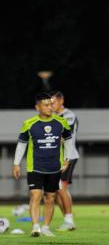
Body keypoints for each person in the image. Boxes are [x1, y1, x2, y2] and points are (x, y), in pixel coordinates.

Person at [12, 93, 73, 237]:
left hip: (54, 167)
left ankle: (46, 227)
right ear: (37, 107)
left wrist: (67, 159)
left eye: (51, 104)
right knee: (35, 195)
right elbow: (22, 144)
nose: (50, 107)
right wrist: (16, 164)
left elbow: (69, 140)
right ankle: (35, 227)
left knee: (50, 198)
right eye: (46, 105)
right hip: (35, 166)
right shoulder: (29, 124)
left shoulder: (61, 122)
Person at [50, 90, 79, 231]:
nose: (51, 105)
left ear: (61, 101)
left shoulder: (68, 115)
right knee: (55, 192)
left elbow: (63, 137)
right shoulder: (52, 117)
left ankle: (69, 220)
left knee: (61, 188)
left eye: (53, 102)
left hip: (69, 157)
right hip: (57, 158)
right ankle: (67, 221)